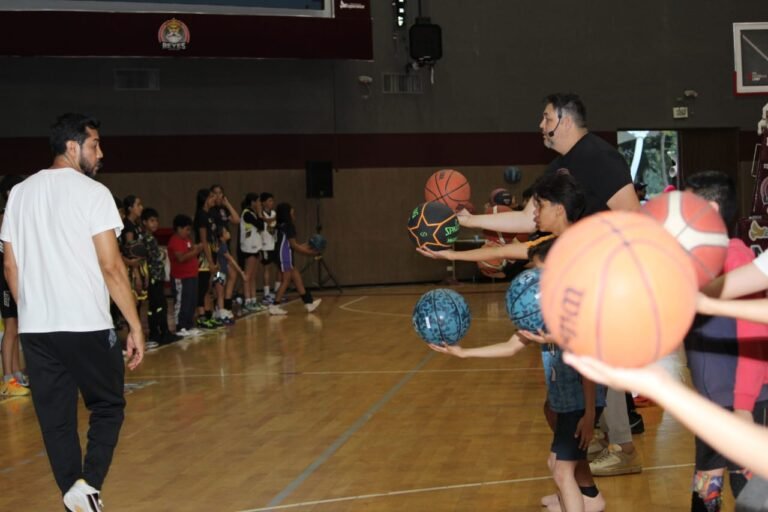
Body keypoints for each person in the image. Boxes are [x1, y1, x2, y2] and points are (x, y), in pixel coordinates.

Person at [0, 113, 144, 511]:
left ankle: (75, 494)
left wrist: (33, 311)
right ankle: (89, 483)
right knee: (108, 406)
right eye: (95, 144)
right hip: (85, 324)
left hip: (37, 330)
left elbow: (10, 266)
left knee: (56, 419)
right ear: (71, 147)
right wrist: (134, 324)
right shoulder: (93, 194)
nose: (101, 153)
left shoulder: (19, 194)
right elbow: (112, 266)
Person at [431, 190, 607, 512]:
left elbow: (588, 357)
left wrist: (591, 414)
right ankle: (591, 499)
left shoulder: (572, 310)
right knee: (559, 449)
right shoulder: (541, 312)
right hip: (568, 401)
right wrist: (463, 353)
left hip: (580, 402)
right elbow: (512, 345)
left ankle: (581, 502)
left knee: (559, 467)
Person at [683, 170, 768, 510]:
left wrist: (744, 407)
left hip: (744, 403)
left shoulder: (735, 257)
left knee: (750, 498)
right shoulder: (694, 262)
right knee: (706, 494)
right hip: (713, 406)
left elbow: (755, 336)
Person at [268, 203, 322, 316]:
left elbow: (292, 245)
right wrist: (311, 252)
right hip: (285, 256)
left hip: (282, 254)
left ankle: (309, 304)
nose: (294, 215)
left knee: (297, 278)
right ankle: (274, 306)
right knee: (286, 280)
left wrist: (307, 245)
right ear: (287, 214)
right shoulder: (289, 226)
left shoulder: (280, 225)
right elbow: (294, 246)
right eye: (292, 212)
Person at [141, 207, 182, 346]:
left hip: (157, 277)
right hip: (153, 277)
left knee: (157, 306)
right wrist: (162, 254)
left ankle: (157, 333)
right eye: (151, 221)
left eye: (156, 221)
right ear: (144, 222)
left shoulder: (150, 237)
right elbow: (154, 256)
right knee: (159, 306)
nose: (155, 224)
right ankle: (161, 333)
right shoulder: (146, 238)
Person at [168, 214, 203, 337]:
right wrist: (195, 251)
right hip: (181, 277)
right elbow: (181, 258)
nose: (188, 232)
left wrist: (196, 248)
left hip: (192, 275)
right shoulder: (175, 240)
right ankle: (180, 326)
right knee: (182, 301)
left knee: (191, 301)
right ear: (179, 228)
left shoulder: (187, 240)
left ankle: (189, 324)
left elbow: (191, 250)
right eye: (186, 229)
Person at [194, 188, 219, 329]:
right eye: (211, 197)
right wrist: (210, 261)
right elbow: (204, 241)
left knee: (210, 285)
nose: (214, 199)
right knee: (202, 286)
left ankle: (209, 314)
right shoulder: (201, 215)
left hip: (212, 253)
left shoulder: (210, 214)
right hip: (204, 256)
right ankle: (201, 316)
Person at [213, 225, 247, 323]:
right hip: (219, 273)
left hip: (222, 272)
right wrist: (241, 272)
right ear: (221, 236)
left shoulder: (223, 245)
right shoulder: (222, 246)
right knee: (220, 294)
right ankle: (221, 314)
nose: (228, 232)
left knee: (221, 293)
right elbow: (231, 260)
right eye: (225, 231)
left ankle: (220, 312)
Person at [239, 192, 266, 313]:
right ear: (253, 202)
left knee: (253, 276)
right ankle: (247, 302)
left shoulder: (252, 214)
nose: (260, 204)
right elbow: (260, 225)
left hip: (255, 248)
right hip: (249, 248)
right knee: (247, 276)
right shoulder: (247, 214)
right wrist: (260, 212)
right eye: (258, 201)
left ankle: (254, 300)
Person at [259, 192, 279, 304]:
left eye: (273, 201)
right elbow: (266, 222)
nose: (272, 203)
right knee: (267, 268)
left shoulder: (274, 213)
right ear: (263, 202)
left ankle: (277, 291)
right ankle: (266, 294)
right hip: (265, 244)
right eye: (270, 200)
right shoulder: (261, 213)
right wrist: (273, 220)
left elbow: (273, 226)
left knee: (279, 268)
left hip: (274, 243)